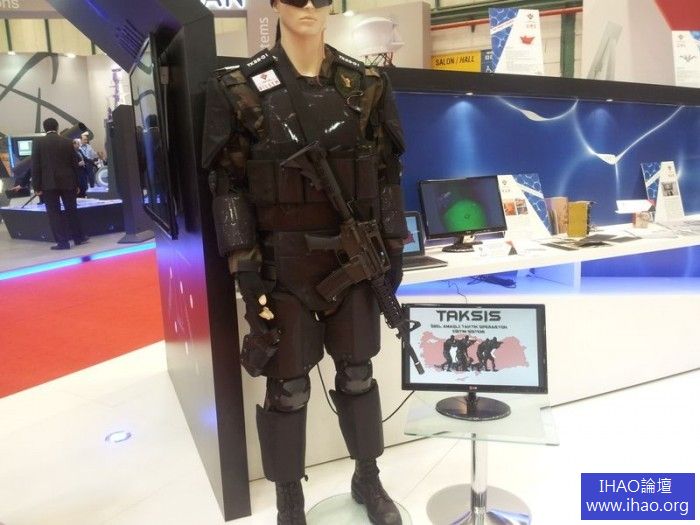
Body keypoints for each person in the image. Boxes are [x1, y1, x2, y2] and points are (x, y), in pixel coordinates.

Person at [202, 1, 408, 523]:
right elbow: (228, 188)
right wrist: (245, 267)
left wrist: (394, 247)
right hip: (282, 264)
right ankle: (288, 499)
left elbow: (387, 175)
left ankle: (367, 477)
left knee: (357, 374)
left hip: (355, 259)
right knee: (287, 388)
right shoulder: (238, 88)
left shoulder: (366, 84)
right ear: (275, 4)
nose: (310, 7)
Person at [31, 117, 87, 250]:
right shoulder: (67, 142)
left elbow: (36, 166)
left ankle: (63, 242)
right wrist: (77, 183)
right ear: (57, 127)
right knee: (71, 210)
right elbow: (74, 164)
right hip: (68, 182)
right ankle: (78, 238)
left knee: (54, 213)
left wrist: (36, 186)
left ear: (44, 128)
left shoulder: (38, 143)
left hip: (49, 184)